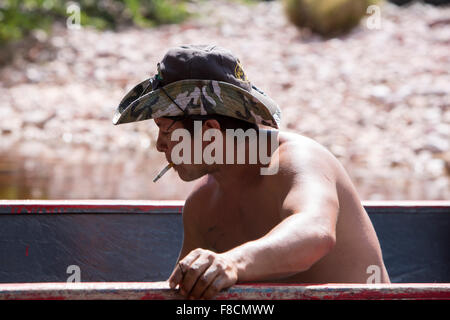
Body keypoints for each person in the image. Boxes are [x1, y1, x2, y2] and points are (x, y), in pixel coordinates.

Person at [113, 44, 390, 300]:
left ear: (210, 133)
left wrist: (232, 262)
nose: (160, 145)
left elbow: (315, 232)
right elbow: (185, 297)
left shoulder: (296, 160)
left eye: (165, 129)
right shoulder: (201, 205)